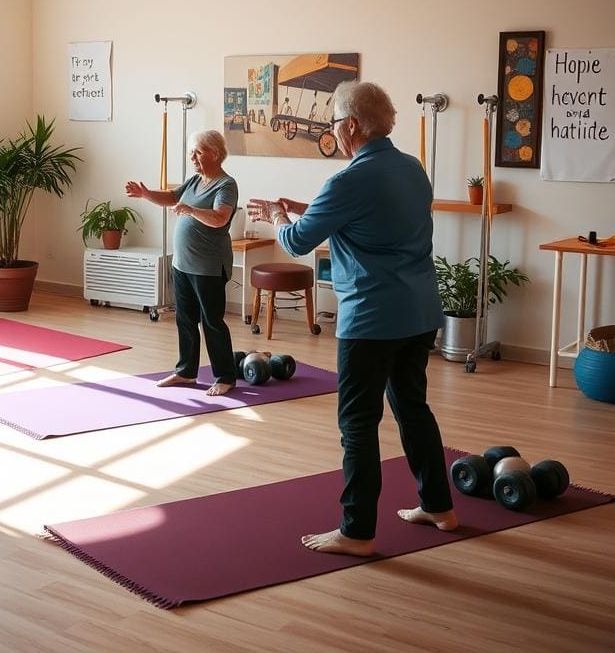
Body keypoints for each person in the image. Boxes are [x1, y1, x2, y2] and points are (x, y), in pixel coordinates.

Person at [247, 81, 457, 556]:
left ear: (352, 126)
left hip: (373, 317)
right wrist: (297, 210)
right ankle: (440, 507)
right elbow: (364, 216)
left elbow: (299, 242)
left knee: (358, 424)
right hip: (419, 311)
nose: (334, 133)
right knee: (412, 408)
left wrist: (278, 219)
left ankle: (357, 531)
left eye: (335, 124)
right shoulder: (411, 168)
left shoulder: (348, 180)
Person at [125, 130, 239, 398]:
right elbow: (173, 197)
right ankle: (187, 372)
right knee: (185, 319)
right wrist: (145, 194)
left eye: (198, 152)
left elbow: (220, 218)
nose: (193, 157)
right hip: (183, 264)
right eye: (192, 152)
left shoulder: (226, 185)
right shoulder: (195, 180)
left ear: (214, 153)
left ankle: (225, 376)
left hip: (208, 267)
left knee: (211, 322)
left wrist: (191, 210)